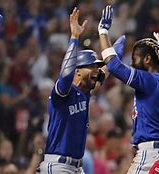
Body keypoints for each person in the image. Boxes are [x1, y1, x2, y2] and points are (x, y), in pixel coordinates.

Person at [98, 5, 159, 173]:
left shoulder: (148, 80)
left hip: (153, 154)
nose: (132, 62)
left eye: (135, 58)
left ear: (147, 59)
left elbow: (114, 66)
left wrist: (103, 32)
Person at [37, 8, 107, 174]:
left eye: (96, 66)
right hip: (58, 165)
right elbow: (66, 73)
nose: (96, 70)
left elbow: (109, 67)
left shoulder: (85, 92)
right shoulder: (62, 93)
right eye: (91, 66)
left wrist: (106, 36)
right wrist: (74, 38)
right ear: (77, 71)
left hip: (76, 167)